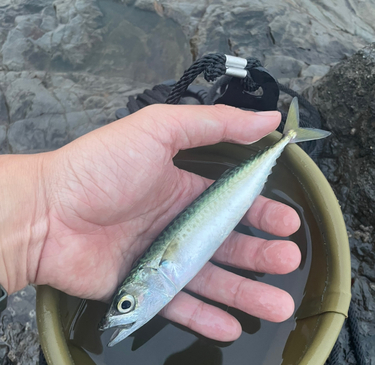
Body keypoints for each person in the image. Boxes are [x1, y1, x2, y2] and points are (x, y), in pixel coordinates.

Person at [0, 104, 301, 341]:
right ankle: (285, 141)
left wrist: (42, 206)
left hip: (230, 199)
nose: (125, 312)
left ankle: (286, 138)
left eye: (126, 304)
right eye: (126, 305)